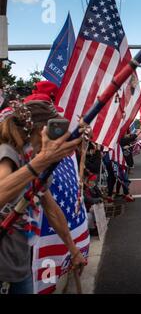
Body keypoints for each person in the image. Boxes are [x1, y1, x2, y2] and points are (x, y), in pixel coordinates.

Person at [0, 100, 86, 294]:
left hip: (19, 267)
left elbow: (51, 209)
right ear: (41, 130)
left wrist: (73, 250)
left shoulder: (34, 160)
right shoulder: (8, 153)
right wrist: (40, 163)